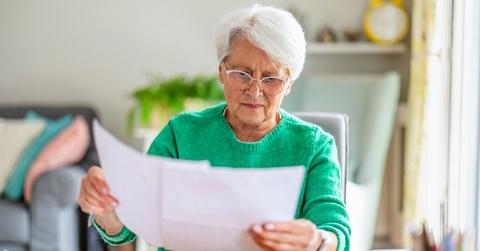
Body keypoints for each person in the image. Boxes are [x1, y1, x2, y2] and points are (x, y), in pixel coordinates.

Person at [78, 4, 351, 251]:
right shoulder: (181, 133)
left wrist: (318, 241)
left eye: (271, 79)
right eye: (241, 74)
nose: (254, 91)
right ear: (221, 71)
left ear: (289, 83)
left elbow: (335, 230)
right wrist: (104, 208)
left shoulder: (315, 145)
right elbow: (126, 228)